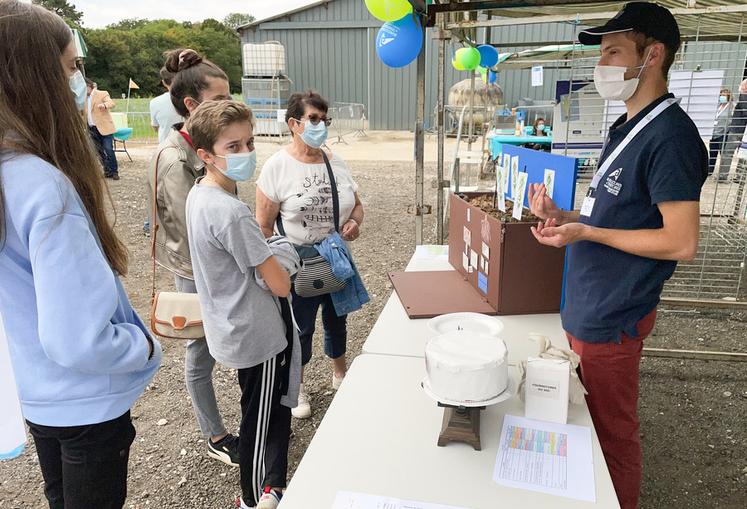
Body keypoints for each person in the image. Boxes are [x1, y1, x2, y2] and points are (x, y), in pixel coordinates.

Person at [527, 3, 707, 509]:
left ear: (652, 55)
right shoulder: (627, 125)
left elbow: (681, 241)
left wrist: (586, 231)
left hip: (614, 314)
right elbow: (617, 214)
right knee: (586, 423)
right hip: (589, 305)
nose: (601, 64)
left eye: (612, 51)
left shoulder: (671, 137)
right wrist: (563, 215)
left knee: (612, 433)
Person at [0, 2, 162, 508]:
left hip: (35, 391)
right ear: (35, 77)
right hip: (86, 403)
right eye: (72, 67)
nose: (80, 82)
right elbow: (77, 339)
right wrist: (143, 347)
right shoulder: (44, 188)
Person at [185, 100, 300, 509]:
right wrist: (285, 250)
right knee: (260, 415)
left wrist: (268, 252)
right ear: (204, 154)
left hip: (230, 324)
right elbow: (280, 283)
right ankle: (253, 496)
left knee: (259, 402)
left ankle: (272, 480)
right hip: (257, 335)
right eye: (232, 147)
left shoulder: (199, 195)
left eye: (249, 142)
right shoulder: (232, 212)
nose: (246, 153)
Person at [147, 48, 237, 465]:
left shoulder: (203, 144)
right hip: (197, 270)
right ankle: (214, 434)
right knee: (200, 349)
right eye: (219, 99)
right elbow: (192, 228)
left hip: (216, 264)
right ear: (191, 105)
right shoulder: (174, 157)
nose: (229, 106)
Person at [256, 90, 367, 419]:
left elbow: (357, 206)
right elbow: (262, 226)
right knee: (300, 329)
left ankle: (340, 373)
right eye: (313, 119)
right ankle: (298, 386)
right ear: (294, 124)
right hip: (298, 261)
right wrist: (274, 270)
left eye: (325, 119)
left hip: (335, 257)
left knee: (338, 319)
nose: (321, 125)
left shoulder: (335, 160)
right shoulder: (277, 166)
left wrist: (353, 223)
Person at [85, 78, 120, 179]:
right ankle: (107, 170)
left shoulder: (102, 93)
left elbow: (111, 103)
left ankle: (114, 171)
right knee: (99, 151)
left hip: (105, 127)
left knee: (108, 149)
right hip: (91, 128)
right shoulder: (82, 98)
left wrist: (104, 105)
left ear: (89, 86)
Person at [717, 79, 747, 181]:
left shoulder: (743, 97)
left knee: (727, 153)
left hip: (737, 130)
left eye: (741, 85)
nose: (739, 86)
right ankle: (739, 176)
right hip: (743, 131)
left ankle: (723, 176)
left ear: (744, 87)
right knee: (742, 154)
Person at [150, 63, 184, 144]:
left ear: (164, 82)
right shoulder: (191, 98)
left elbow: (155, 126)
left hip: (166, 145)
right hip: (189, 144)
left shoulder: (155, 102)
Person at [708, 87, 733, 178]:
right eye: (721, 95)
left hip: (723, 134)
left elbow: (730, 121)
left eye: (724, 95)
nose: (722, 97)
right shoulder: (718, 106)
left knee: (723, 155)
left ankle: (723, 174)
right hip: (714, 133)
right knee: (712, 153)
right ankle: (709, 171)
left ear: (728, 97)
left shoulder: (731, 107)